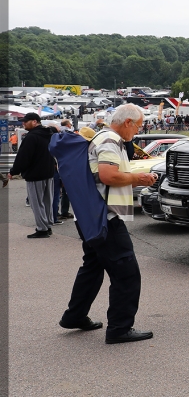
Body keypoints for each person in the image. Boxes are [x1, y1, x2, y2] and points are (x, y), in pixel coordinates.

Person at [59, 104, 157, 343]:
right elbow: (108, 176)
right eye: (139, 125)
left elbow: (105, 177)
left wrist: (134, 180)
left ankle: (74, 316)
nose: (138, 131)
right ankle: (119, 328)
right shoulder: (111, 140)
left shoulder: (104, 137)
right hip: (106, 217)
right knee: (126, 272)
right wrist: (139, 178)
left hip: (90, 216)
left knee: (92, 267)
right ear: (128, 122)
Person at [7, 113, 56, 238]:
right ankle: (48, 225)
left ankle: (42, 229)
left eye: (26, 121)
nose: (23, 123)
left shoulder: (31, 137)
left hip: (35, 174)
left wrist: (13, 171)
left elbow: (23, 157)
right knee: (47, 201)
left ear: (34, 122)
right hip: (49, 172)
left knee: (36, 202)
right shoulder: (50, 134)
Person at [51, 119, 74, 222]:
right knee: (58, 193)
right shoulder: (61, 141)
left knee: (59, 193)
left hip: (61, 169)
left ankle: (59, 213)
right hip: (61, 170)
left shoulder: (55, 142)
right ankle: (56, 215)